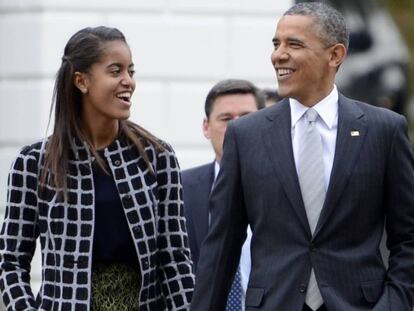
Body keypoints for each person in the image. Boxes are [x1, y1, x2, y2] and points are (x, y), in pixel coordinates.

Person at [190, 2, 414, 311]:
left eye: (293, 44)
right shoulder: (246, 135)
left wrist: (393, 305)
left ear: (335, 55)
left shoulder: (383, 130)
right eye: (276, 43)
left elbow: (408, 238)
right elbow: (221, 247)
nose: (278, 54)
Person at [0, 26, 194, 311]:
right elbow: (10, 260)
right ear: (81, 81)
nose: (128, 81)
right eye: (115, 71)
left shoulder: (158, 157)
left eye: (131, 71)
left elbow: (175, 260)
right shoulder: (33, 162)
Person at [182, 79, 265, 310]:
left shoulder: (287, 187)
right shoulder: (179, 188)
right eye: (226, 119)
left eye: (247, 118)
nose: (237, 128)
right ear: (206, 127)